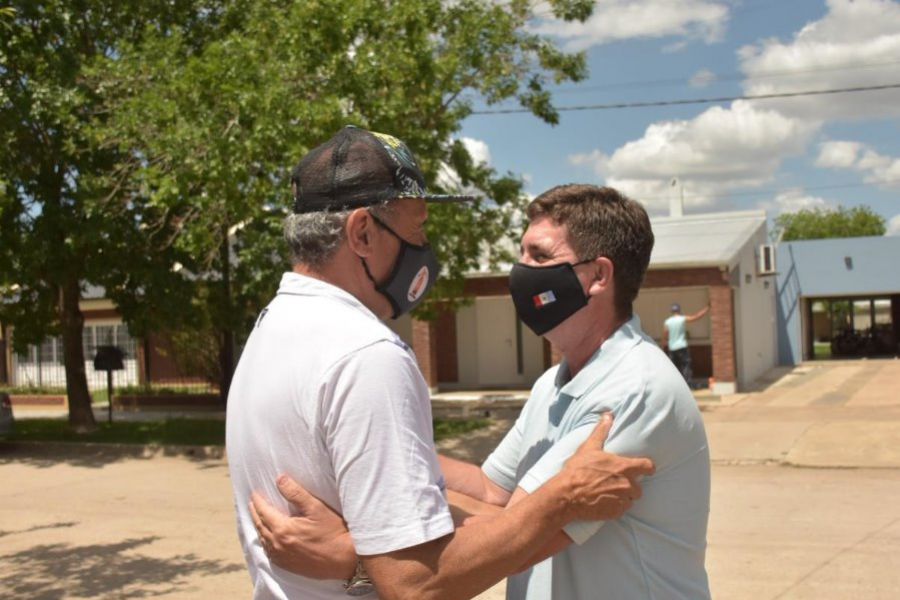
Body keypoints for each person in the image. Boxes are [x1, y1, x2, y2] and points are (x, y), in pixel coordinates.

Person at [227, 129, 655, 600]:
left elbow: (481, 499)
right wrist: (563, 499)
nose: (424, 246)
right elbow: (414, 585)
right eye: (417, 229)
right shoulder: (367, 355)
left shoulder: (271, 327)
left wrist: (365, 540)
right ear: (363, 232)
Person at [662, 302, 710, 387]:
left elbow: (665, 335)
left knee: (674, 367)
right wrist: (707, 308)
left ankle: (675, 385)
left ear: (672, 311)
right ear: (679, 310)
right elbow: (696, 317)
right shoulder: (682, 319)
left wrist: (663, 346)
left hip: (672, 348)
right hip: (682, 346)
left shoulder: (667, 322)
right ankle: (687, 385)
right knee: (686, 365)